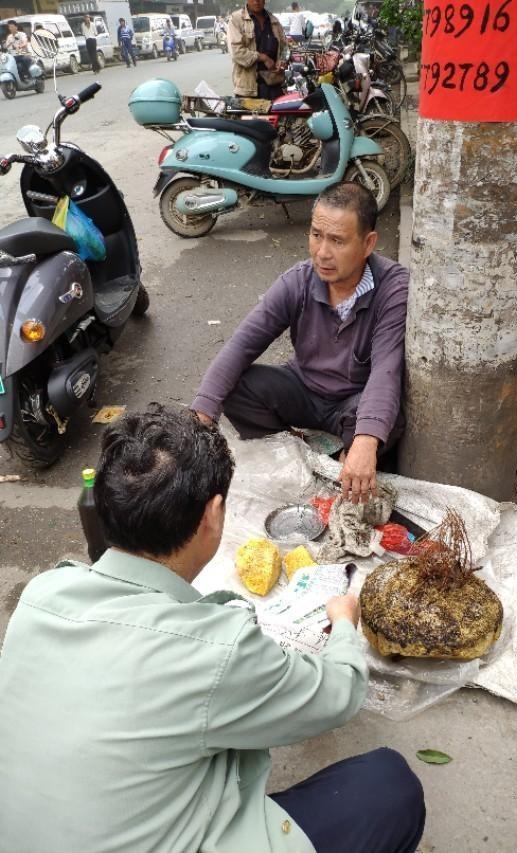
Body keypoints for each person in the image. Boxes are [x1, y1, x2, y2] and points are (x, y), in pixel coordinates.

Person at [0, 405, 426, 853]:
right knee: (389, 785)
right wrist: (343, 622)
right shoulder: (216, 648)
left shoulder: (41, 594)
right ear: (213, 514)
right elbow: (338, 693)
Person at [192, 182, 408, 505]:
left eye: (337, 240)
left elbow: (386, 372)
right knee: (235, 386)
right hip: (304, 389)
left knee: (385, 419)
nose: (322, 252)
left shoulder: (393, 288)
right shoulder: (298, 281)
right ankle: (290, 455)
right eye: (316, 234)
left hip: (352, 403)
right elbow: (241, 345)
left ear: (368, 244)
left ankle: (349, 464)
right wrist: (198, 419)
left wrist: (365, 441)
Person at [228, 0, 286, 99]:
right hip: (248, 90)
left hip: (274, 85)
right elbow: (236, 52)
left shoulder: (274, 21)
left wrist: (282, 60)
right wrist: (263, 58)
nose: (256, 2)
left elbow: (284, 47)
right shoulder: (236, 19)